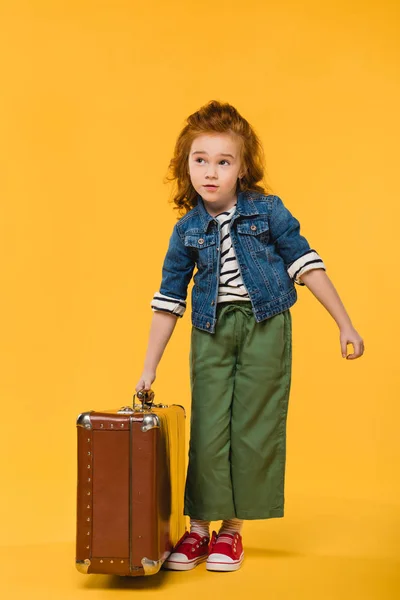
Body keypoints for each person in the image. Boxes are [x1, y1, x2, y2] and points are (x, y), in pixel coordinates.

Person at [135, 100, 365, 573]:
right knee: (209, 427)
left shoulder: (268, 211)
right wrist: (148, 366)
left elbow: (306, 263)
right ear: (187, 166)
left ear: (243, 169)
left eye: (224, 161)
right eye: (201, 160)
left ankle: (232, 531)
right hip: (212, 329)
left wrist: (345, 323)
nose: (211, 172)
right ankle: (199, 527)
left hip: (266, 324)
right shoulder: (187, 229)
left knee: (255, 428)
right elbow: (168, 300)